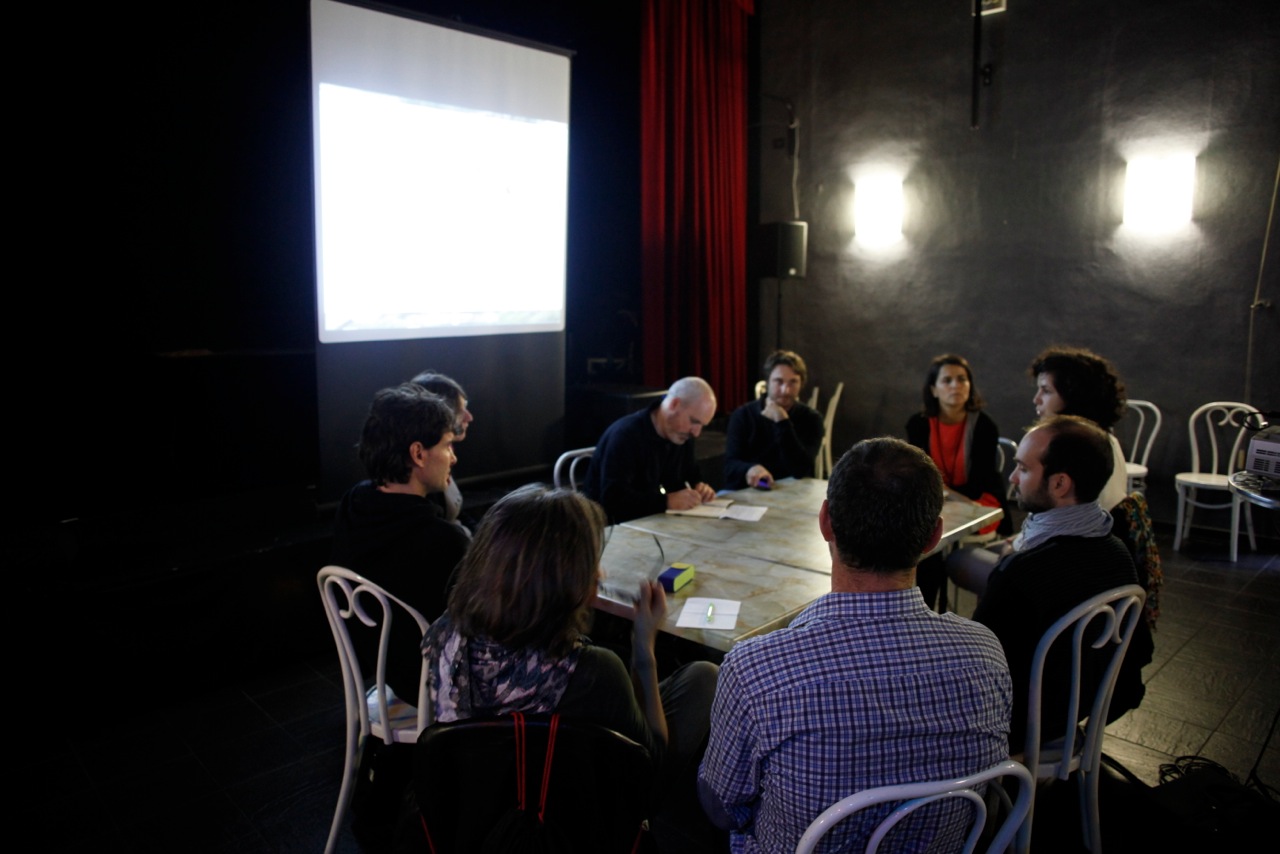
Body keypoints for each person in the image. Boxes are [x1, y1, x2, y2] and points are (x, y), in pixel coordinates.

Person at [698, 438, 1012, 854]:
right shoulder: (986, 653)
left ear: (825, 522)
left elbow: (723, 808)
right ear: (933, 536)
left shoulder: (756, 668)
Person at [420, 484, 719, 851]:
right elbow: (650, 766)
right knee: (705, 679)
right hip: (568, 818)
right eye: (591, 562)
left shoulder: (444, 633)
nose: (600, 573)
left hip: (470, 811)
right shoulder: (592, 670)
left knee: (698, 677)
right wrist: (644, 647)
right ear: (563, 578)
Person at [972, 415, 1152, 747]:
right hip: (1079, 710)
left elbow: (978, 668)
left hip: (1018, 726)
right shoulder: (1118, 551)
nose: (1012, 477)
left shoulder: (1022, 573)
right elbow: (1138, 653)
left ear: (1059, 484)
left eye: (1023, 469)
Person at [331, 383, 471, 699]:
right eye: (448, 445)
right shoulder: (441, 540)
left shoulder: (353, 504)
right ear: (418, 454)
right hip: (430, 683)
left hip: (381, 668)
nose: (453, 458)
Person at [905, 354, 1011, 609]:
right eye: (947, 380)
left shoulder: (984, 425)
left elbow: (980, 482)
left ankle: (934, 607)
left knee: (931, 530)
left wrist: (944, 491)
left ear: (970, 386)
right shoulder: (918, 424)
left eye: (962, 379)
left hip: (977, 500)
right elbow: (917, 473)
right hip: (936, 499)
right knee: (925, 533)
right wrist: (940, 493)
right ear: (934, 389)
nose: (956, 385)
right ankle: (926, 607)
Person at [583, 377, 718, 523]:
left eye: (702, 425)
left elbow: (689, 475)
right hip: (608, 527)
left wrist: (699, 488)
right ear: (674, 404)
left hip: (648, 521)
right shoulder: (625, 435)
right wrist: (666, 501)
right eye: (694, 421)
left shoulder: (680, 435)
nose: (696, 433)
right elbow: (613, 501)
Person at [1030, 346, 1129, 509]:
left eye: (1046, 391)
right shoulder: (1103, 440)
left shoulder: (1078, 452)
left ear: (1073, 397)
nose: (1036, 399)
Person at [724, 350, 825, 489]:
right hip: (750, 491)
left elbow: (800, 470)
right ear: (767, 382)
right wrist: (749, 469)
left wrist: (782, 421)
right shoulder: (743, 415)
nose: (785, 390)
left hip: (793, 492)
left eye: (793, 382)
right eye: (779, 381)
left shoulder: (812, 419)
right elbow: (730, 466)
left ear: (801, 384)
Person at [410, 369, 474, 531]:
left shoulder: (444, 455)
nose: (469, 417)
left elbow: (458, 514)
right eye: (461, 411)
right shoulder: (428, 470)